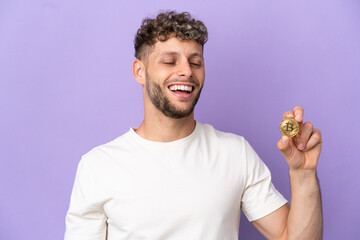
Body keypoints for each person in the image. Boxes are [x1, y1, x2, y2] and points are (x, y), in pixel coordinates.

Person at [65, 10, 323, 240]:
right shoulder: (98, 166)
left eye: (196, 62)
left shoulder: (235, 153)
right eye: (169, 61)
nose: (187, 71)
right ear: (139, 72)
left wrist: (303, 175)